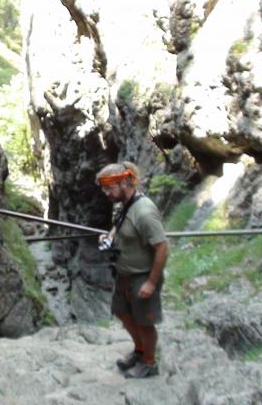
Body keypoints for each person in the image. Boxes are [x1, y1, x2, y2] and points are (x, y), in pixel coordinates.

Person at [96, 162, 169, 378]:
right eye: (103, 188)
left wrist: (151, 283)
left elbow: (162, 248)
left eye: (109, 188)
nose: (106, 193)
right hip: (124, 275)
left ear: (124, 183)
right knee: (122, 313)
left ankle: (149, 362)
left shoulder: (144, 212)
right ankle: (139, 350)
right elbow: (119, 226)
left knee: (144, 322)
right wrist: (109, 237)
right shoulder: (124, 205)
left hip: (142, 276)